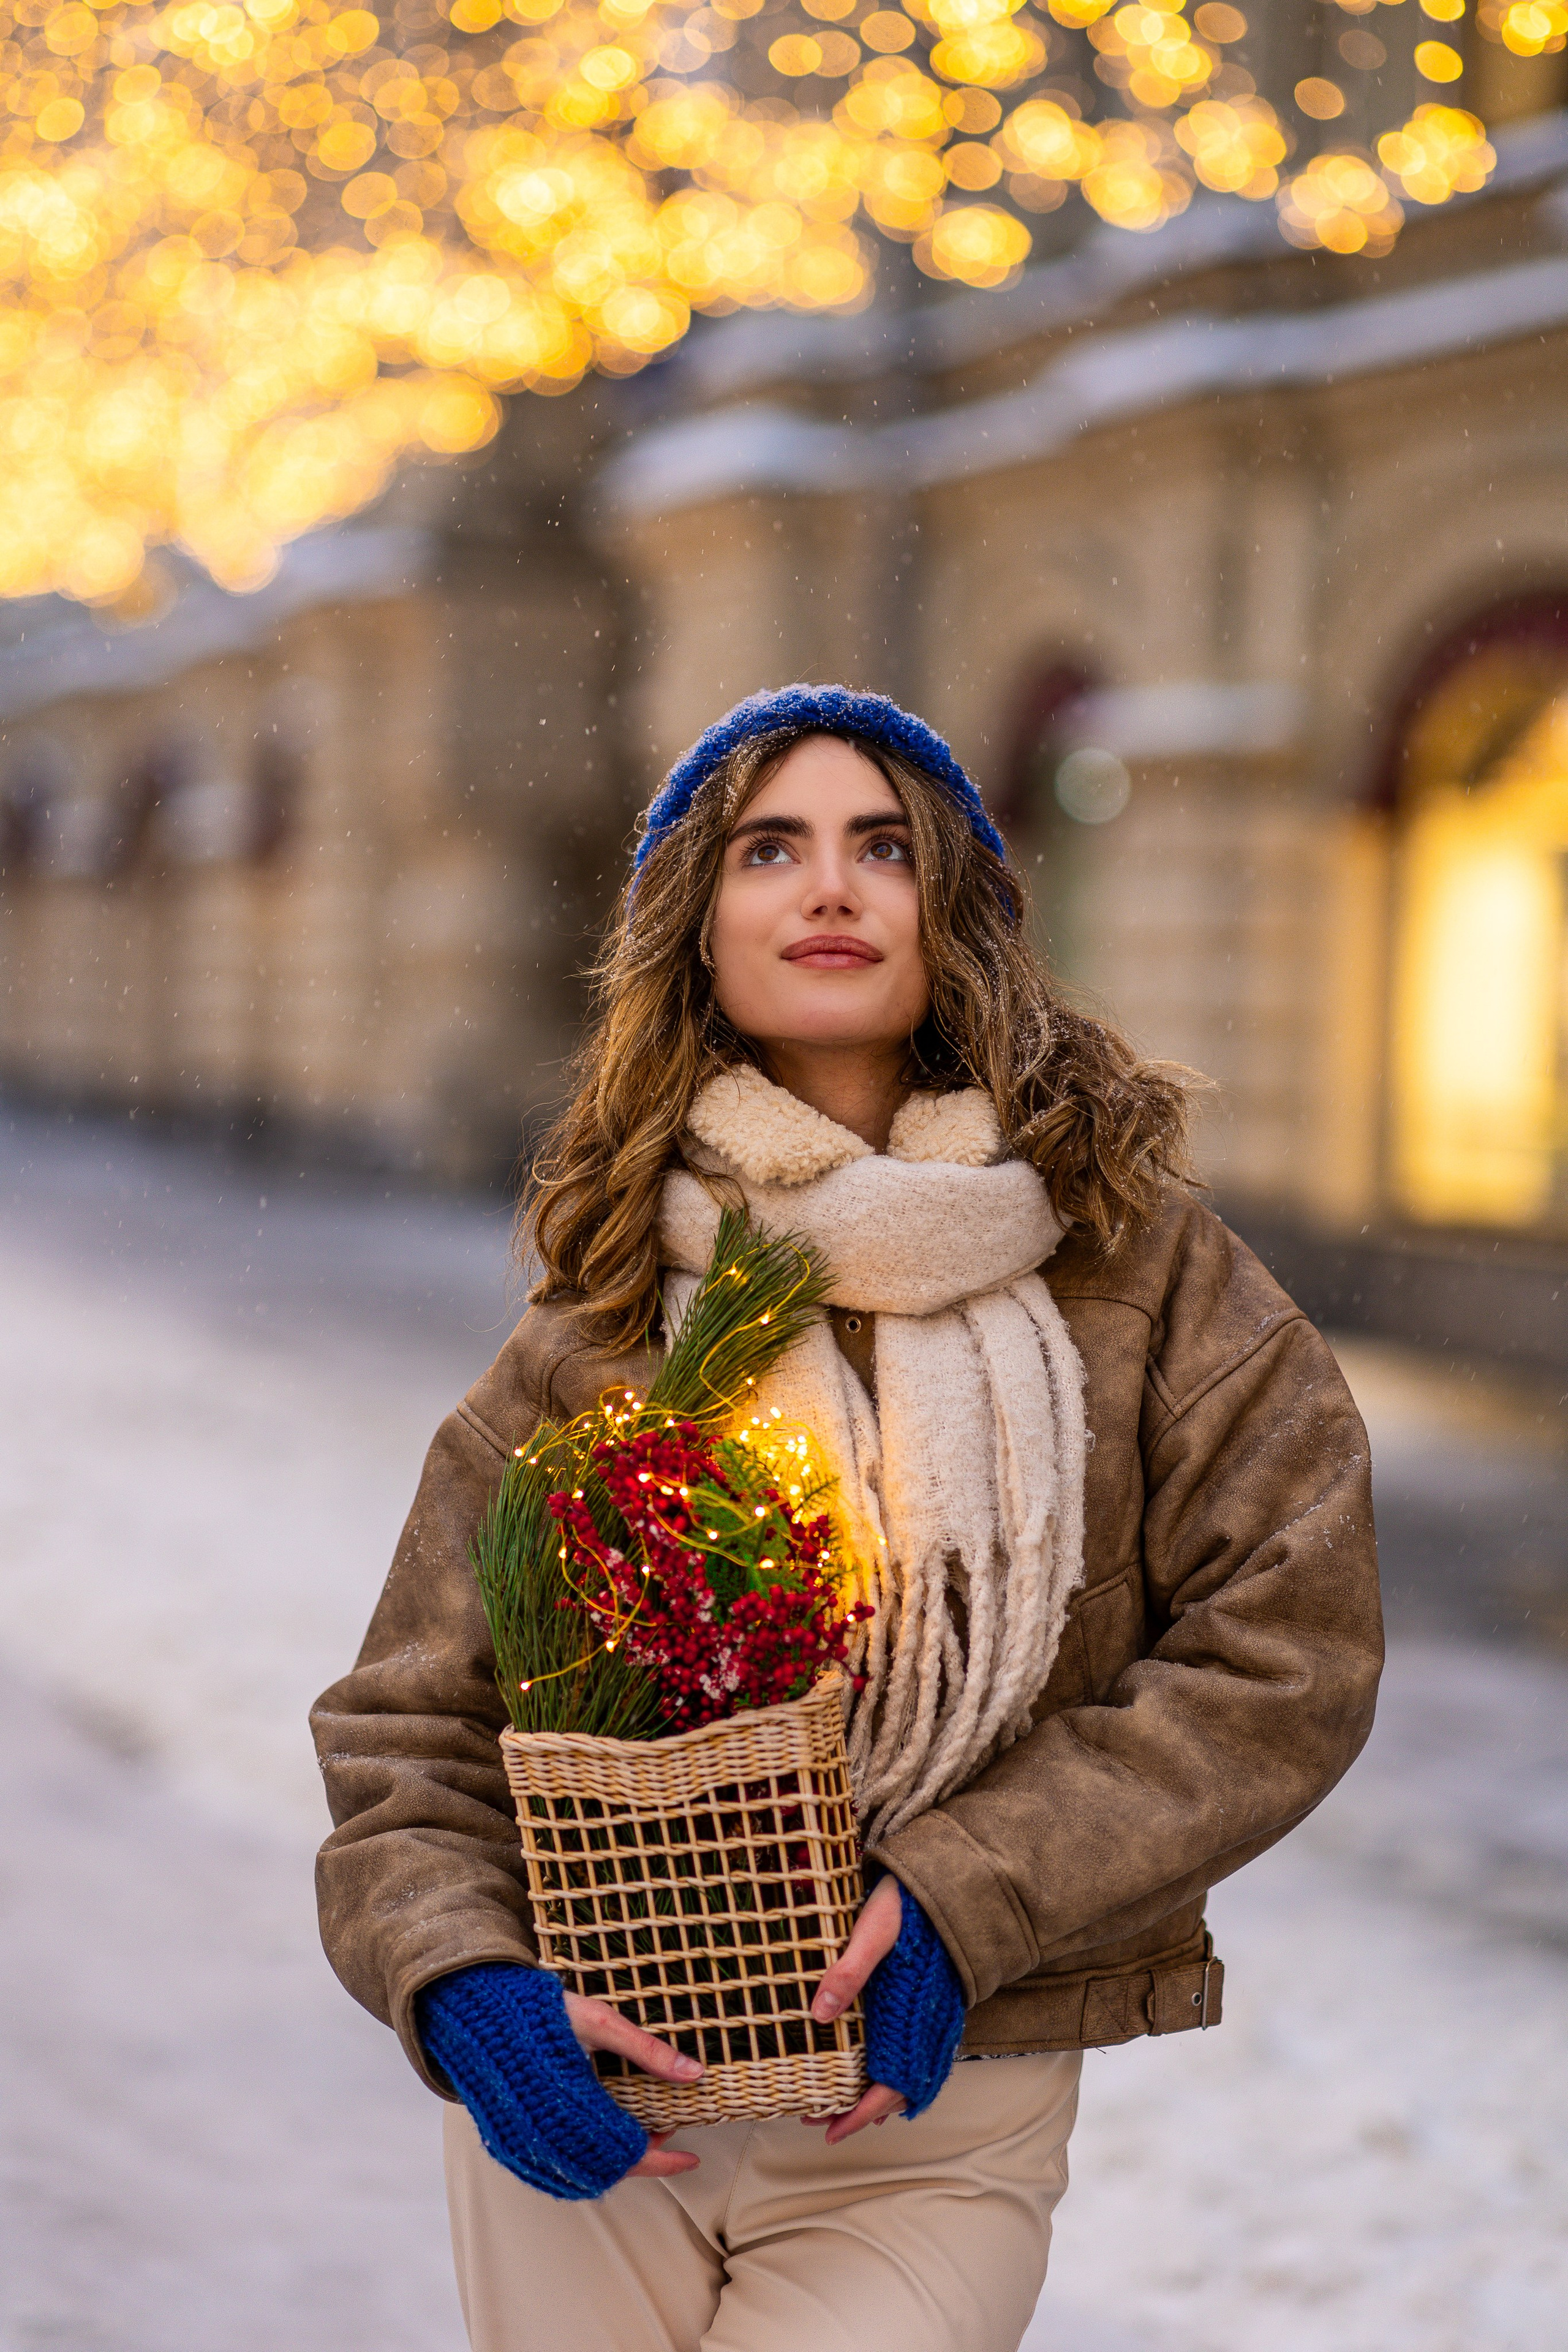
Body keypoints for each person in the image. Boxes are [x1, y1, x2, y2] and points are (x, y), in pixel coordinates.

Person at [311, 684, 1381, 2352]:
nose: (830, 887)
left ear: (952, 904)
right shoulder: (607, 1305)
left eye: (882, 846)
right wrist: (464, 1985)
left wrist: (968, 1893)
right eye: (771, 849)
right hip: (606, 2099)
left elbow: (1289, 1647)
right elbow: (408, 1726)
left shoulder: (1136, 1265)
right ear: (700, 924)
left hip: (941, 2112)